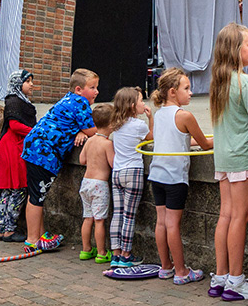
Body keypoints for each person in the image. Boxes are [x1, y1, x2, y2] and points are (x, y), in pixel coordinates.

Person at [210, 23, 248, 301]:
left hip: (224, 159)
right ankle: (236, 281)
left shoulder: (219, 82)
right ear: (235, 51)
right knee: (239, 218)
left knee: (226, 215)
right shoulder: (246, 82)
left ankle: (220, 277)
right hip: (245, 159)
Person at [19, 70, 101, 252]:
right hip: (43, 154)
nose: (96, 92)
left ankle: (40, 235)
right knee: (37, 196)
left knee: (36, 195)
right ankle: (32, 240)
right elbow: (94, 130)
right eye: (92, 88)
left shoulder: (69, 99)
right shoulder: (81, 103)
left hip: (34, 148)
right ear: (79, 89)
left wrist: (80, 131)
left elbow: (79, 126)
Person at [149, 68, 209, 285]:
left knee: (161, 222)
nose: (191, 93)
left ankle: (165, 267)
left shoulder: (159, 114)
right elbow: (205, 144)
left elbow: (175, 140)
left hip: (156, 175)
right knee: (173, 224)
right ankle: (182, 271)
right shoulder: (184, 116)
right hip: (175, 178)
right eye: (187, 88)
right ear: (173, 92)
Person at [104, 87, 150, 268]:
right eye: (141, 101)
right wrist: (150, 118)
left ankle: (115, 253)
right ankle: (126, 254)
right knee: (129, 216)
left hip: (117, 172)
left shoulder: (116, 124)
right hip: (133, 172)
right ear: (132, 106)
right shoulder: (139, 125)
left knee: (118, 213)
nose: (144, 104)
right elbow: (152, 138)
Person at [0, 70, 37, 243]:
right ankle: (9, 230)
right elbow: (15, 125)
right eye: (28, 81)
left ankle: (2, 229)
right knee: (17, 188)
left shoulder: (16, 100)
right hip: (13, 147)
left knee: (8, 190)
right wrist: (35, 131)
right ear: (18, 83)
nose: (31, 84)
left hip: (11, 146)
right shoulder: (14, 101)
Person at [75, 104, 115, 263]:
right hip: (99, 185)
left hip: (86, 183)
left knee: (88, 217)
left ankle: (85, 250)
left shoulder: (90, 141)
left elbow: (82, 160)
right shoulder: (107, 144)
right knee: (99, 220)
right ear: (112, 124)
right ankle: (101, 252)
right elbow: (113, 164)